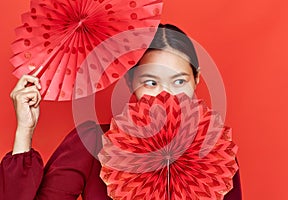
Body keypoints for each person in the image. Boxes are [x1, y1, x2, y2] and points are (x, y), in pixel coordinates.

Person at [0, 24, 242, 200]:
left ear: (197, 79)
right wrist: (25, 130)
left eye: (179, 82)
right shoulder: (92, 142)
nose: (164, 95)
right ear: (130, 82)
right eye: (151, 83)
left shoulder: (214, 151)